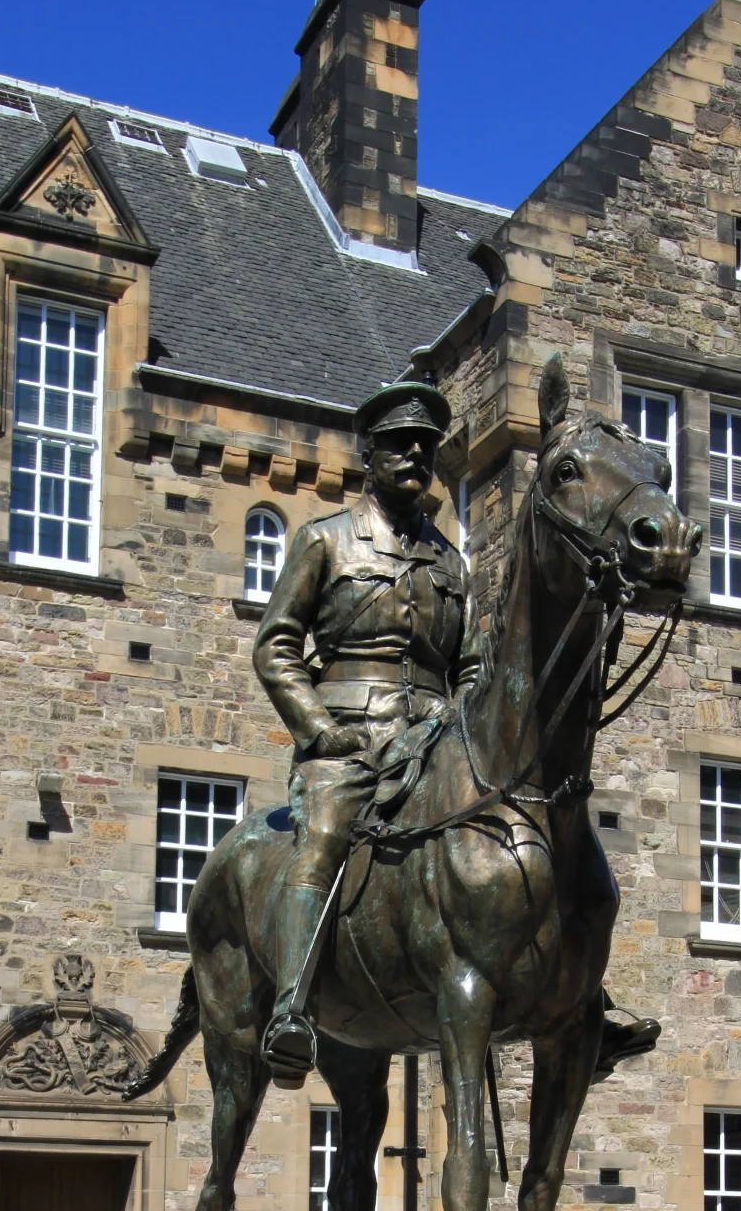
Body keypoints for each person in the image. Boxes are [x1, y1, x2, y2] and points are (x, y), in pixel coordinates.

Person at [251, 374, 664, 1089]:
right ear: (371, 456)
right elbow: (276, 647)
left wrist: (470, 726)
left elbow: (472, 667)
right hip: (349, 734)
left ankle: (582, 997)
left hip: (432, 739)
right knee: (322, 832)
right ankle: (291, 1004)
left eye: (425, 445)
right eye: (399, 444)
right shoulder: (325, 543)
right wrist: (318, 731)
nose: (415, 455)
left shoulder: (450, 562)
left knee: (557, 839)